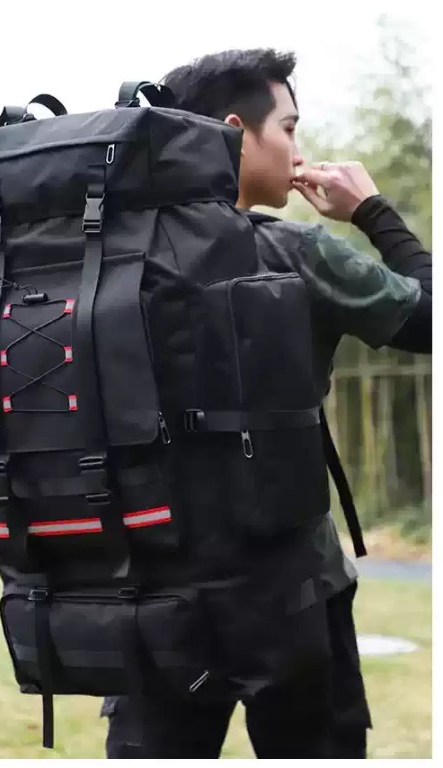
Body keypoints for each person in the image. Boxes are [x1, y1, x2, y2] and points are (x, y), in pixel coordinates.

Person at [100, 49, 432, 759]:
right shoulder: (298, 253)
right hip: (295, 594)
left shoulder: (104, 267)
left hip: (149, 593)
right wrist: (373, 212)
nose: (298, 147)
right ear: (232, 131)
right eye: (289, 126)